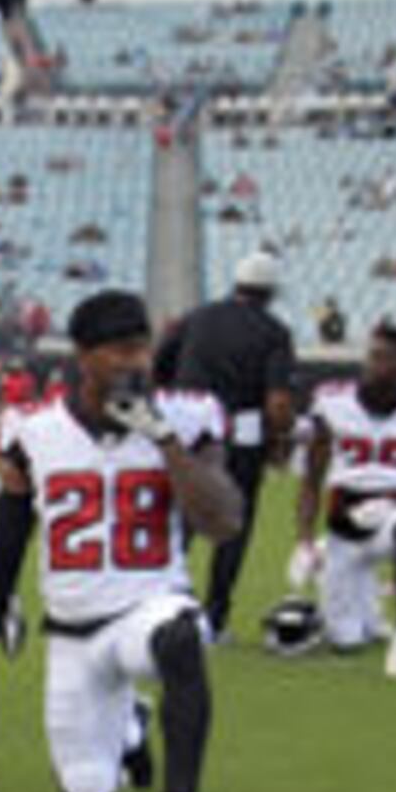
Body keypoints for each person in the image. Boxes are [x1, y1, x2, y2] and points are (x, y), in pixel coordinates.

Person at [0, 290, 242, 792]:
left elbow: (224, 521)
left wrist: (163, 440)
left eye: (142, 348)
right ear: (83, 356)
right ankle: (131, 725)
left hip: (148, 608)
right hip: (73, 634)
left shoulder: (187, 417)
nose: (136, 362)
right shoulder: (31, 431)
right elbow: (4, 553)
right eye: (120, 350)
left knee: (181, 637)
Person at [287, 323, 396, 677]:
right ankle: (365, 611)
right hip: (344, 523)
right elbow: (312, 478)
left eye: (385, 358)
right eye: (372, 356)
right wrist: (303, 541)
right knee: (345, 640)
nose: (373, 365)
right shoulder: (333, 403)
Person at [149, 250, 298, 644]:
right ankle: (214, 618)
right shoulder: (273, 331)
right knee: (232, 524)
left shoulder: (196, 318)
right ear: (271, 292)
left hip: (186, 426)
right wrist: (279, 442)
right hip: (240, 430)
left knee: (178, 518)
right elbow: (278, 402)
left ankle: (160, 602)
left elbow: (158, 368)